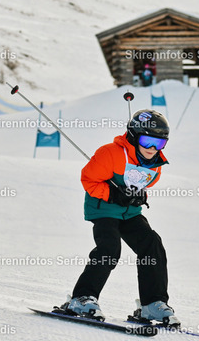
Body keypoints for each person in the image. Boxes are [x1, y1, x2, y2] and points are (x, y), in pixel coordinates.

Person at [61, 109, 179, 326]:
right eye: (147, 141)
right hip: (103, 210)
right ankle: (82, 298)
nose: (153, 149)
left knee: (152, 243)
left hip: (129, 212)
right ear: (133, 135)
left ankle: (152, 303)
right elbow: (88, 179)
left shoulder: (155, 163)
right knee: (110, 248)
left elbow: (143, 184)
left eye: (160, 143)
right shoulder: (110, 153)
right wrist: (113, 194)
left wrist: (138, 196)